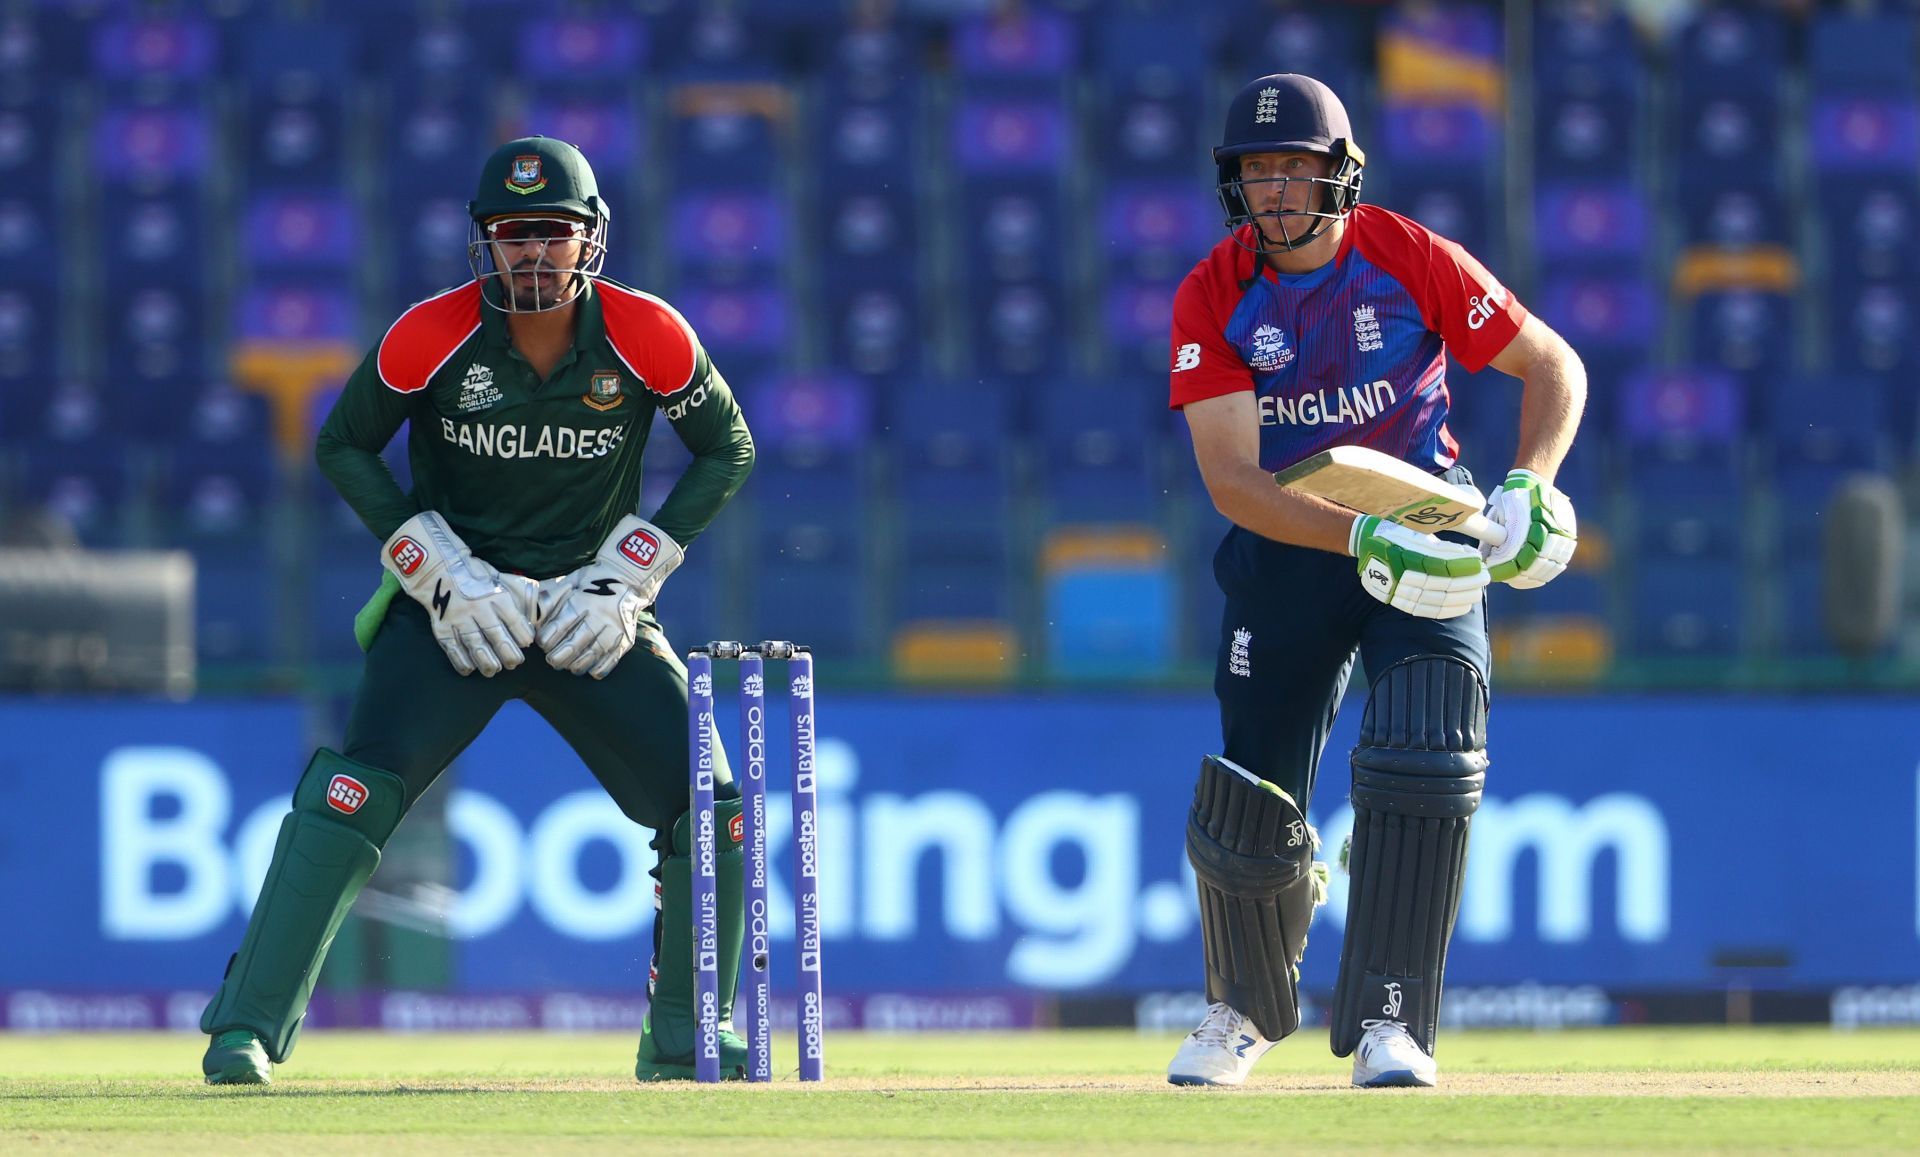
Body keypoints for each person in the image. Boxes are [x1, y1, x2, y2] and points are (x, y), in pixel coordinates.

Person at [198, 136, 757, 1084]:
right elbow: (344, 445)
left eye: (553, 232)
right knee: (348, 792)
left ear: (590, 239)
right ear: (484, 242)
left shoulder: (647, 332)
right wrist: (430, 558)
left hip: (589, 613)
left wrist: (636, 566)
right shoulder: (432, 333)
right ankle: (243, 1028)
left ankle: (686, 1033)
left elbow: (727, 447)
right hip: (461, 613)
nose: (532, 252)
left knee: (716, 807)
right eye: (511, 233)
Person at [1164, 74, 1583, 1089]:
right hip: (1294, 550)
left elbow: (1553, 365)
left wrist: (1529, 484)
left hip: (1432, 539)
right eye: (1256, 170)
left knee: (1432, 742)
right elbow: (1233, 480)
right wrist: (1359, 538)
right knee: (1253, 793)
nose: (1274, 188)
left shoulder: (1407, 255)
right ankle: (1243, 1009)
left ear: (1340, 174)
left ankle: (1396, 1019)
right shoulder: (1214, 292)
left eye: (1295, 167)